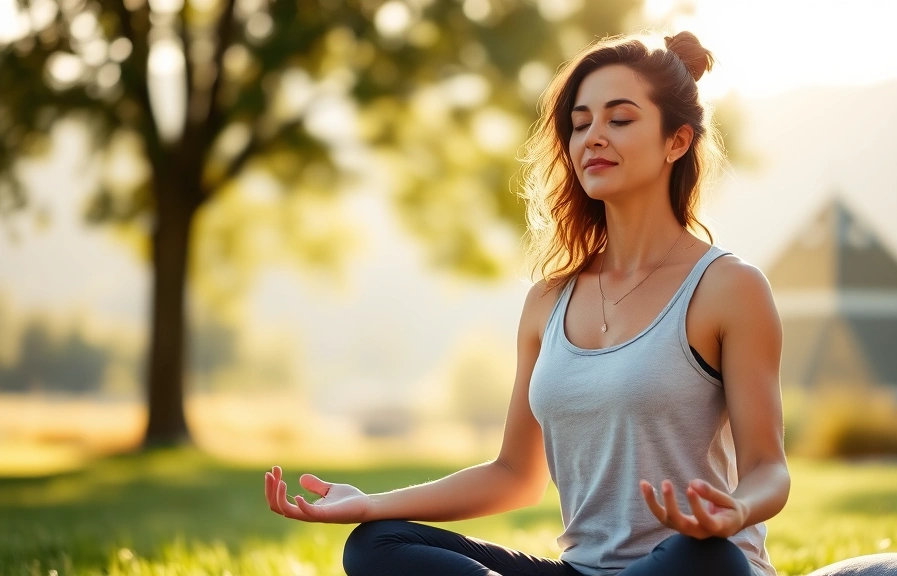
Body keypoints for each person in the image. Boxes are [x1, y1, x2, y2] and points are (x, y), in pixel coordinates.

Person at [264, 30, 790, 576]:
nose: (594, 138)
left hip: (690, 564)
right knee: (375, 544)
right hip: (581, 571)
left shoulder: (729, 287)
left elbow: (767, 469)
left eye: (620, 119)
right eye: (580, 124)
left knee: (708, 559)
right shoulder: (549, 300)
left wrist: (735, 511)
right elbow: (515, 474)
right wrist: (370, 503)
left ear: (676, 141)